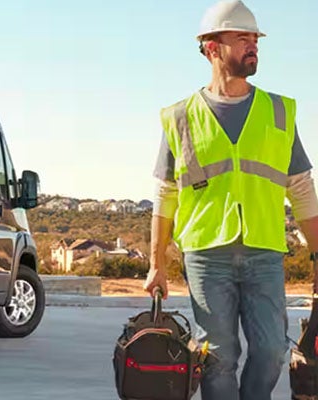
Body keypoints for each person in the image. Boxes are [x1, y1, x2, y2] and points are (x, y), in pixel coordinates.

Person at [144, 1, 318, 399]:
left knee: (273, 351)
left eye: (255, 39)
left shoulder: (279, 111)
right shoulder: (181, 117)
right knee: (217, 357)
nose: (252, 46)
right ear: (211, 48)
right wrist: (156, 264)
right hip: (206, 255)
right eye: (242, 38)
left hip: (265, 251)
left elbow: (302, 188)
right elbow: (165, 193)